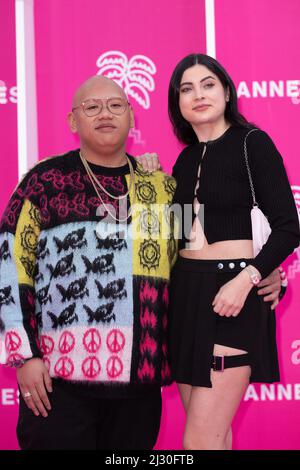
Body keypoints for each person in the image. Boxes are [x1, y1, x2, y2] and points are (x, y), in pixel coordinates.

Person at [0, 75, 178, 450]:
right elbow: (9, 263)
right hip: (56, 382)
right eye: (91, 107)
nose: (104, 115)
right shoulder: (43, 182)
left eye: (115, 106)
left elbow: (195, 262)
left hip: (140, 384)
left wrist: (262, 271)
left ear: (131, 116)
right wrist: (24, 356)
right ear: (72, 121)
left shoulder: (160, 188)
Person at [139, 53, 299, 450]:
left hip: (233, 296)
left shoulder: (253, 143)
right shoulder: (184, 159)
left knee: (199, 442)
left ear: (226, 91)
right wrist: (149, 187)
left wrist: (250, 277)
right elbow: (171, 238)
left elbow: (288, 228)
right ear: (177, 103)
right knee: (213, 436)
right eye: (186, 88)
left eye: (208, 84)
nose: (198, 95)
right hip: (186, 297)